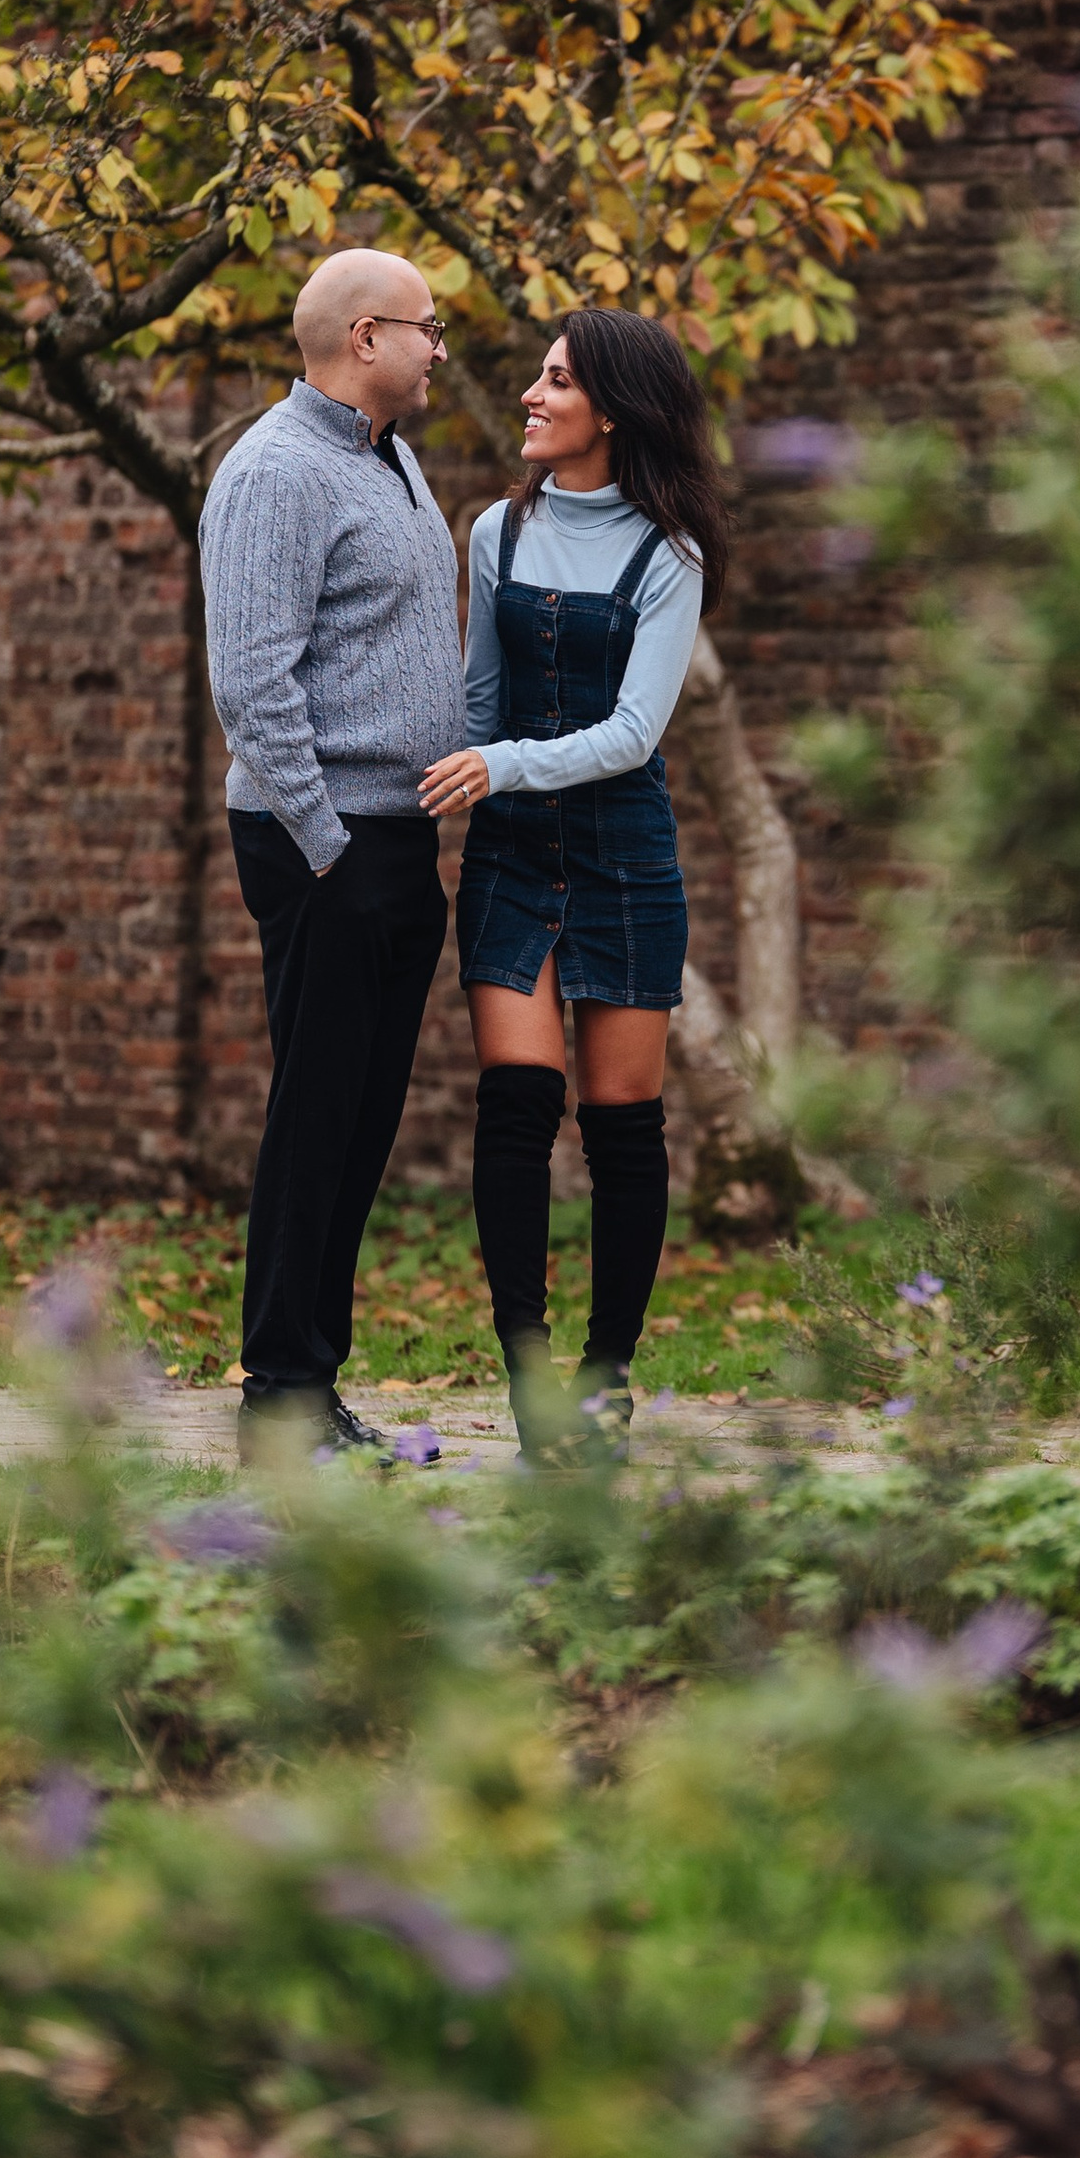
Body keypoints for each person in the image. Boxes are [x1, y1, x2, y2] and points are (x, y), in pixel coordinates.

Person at [416, 307, 729, 1447]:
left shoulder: (671, 552)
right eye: (538, 377)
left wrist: (497, 765)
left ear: (614, 408)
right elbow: (483, 704)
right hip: (511, 851)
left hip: (623, 854)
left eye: (555, 381)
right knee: (517, 1099)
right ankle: (528, 1372)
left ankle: (606, 1371)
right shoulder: (494, 529)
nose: (532, 398)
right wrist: (455, 767)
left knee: (621, 1122)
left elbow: (635, 734)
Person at [200, 247, 465, 1462]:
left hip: (395, 839)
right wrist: (325, 846)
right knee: (318, 1118)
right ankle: (281, 1400)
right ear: (365, 337)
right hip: (327, 842)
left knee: (358, 1124)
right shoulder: (276, 471)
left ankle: (312, 1383)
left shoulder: (388, 458)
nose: (440, 347)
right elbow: (250, 681)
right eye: (425, 327)